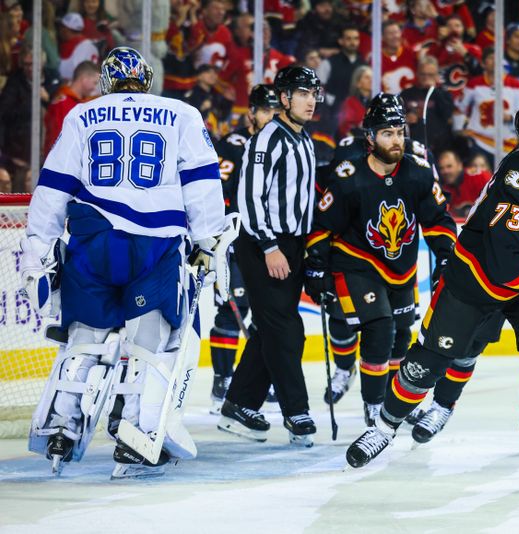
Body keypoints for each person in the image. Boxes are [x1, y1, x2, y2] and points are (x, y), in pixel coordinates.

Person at [345, 97, 519, 494]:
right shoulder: (515, 180)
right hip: (477, 280)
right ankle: (384, 425)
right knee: (427, 364)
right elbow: (509, 265)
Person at [21, 47, 227, 478]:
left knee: (84, 340)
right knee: (148, 343)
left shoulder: (82, 115)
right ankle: (136, 431)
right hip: (153, 247)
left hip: (93, 243)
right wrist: (207, 241)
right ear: (147, 79)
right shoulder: (182, 113)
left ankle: (63, 426)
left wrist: (39, 250)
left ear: (108, 81)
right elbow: (203, 180)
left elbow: (53, 184)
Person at [305, 94, 456, 426]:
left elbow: (438, 220)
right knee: (380, 328)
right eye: (387, 133)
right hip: (358, 262)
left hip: (401, 267)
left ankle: (391, 401)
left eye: (400, 131)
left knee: (402, 333)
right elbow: (323, 226)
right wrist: (315, 263)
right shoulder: (348, 176)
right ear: (370, 137)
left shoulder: (417, 172)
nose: (396, 139)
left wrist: (446, 256)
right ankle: (373, 406)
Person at [219, 66, 321, 447]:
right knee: (286, 328)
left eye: (313, 92)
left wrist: (308, 248)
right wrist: (269, 246)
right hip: (264, 244)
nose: (311, 100)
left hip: (291, 245)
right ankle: (297, 412)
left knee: (269, 328)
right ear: (284, 98)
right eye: (302, 93)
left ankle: (239, 403)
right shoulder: (268, 139)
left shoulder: (304, 139)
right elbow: (248, 197)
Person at [209, 84, 281, 414]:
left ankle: (255, 379)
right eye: (266, 111)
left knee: (269, 312)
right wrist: (222, 235)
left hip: (267, 241)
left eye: (276, 112)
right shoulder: (235, 144)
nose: (272, 118)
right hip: (234, 240)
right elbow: (219, 189)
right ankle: (222, 380)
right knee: (231, 306)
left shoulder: (282, 145)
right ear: (251, 112)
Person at [44, 60, 100, 155]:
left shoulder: (84, 102)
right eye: (94, 83)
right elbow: (55, 138)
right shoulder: (62, 103)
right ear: (84, 79)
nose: (95, 88)